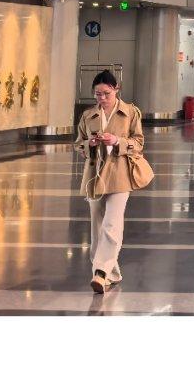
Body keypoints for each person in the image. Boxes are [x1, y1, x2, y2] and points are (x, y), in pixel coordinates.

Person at [74, 70, 153, 294]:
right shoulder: (88, 115)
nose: (101, 98)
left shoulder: (130, 113)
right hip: (94, 175)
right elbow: (78, 144)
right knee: (97, 226)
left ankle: (100, 272)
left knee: (112, 224)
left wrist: (117, 140)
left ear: (116, 89)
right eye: (97, 94)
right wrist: (88, 144)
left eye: (106, 94)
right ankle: (113, 274)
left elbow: (138, 143)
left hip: (120, 173)